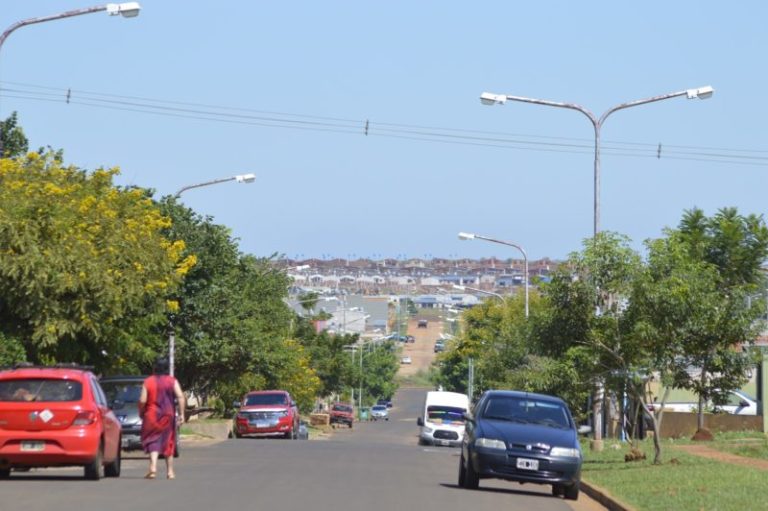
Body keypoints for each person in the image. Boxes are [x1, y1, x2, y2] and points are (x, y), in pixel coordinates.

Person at [139, 356, 185, 480]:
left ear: (155, 368)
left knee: (152, 440)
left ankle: (153, 467)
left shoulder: (148, 381)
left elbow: (142, 400)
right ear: (167, 368)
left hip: (151, 415)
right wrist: (182, 414)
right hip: (167, 415)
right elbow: (180, 396)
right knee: (168, 441)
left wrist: (141, 412)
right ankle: (170, 472)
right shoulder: (172, 381)